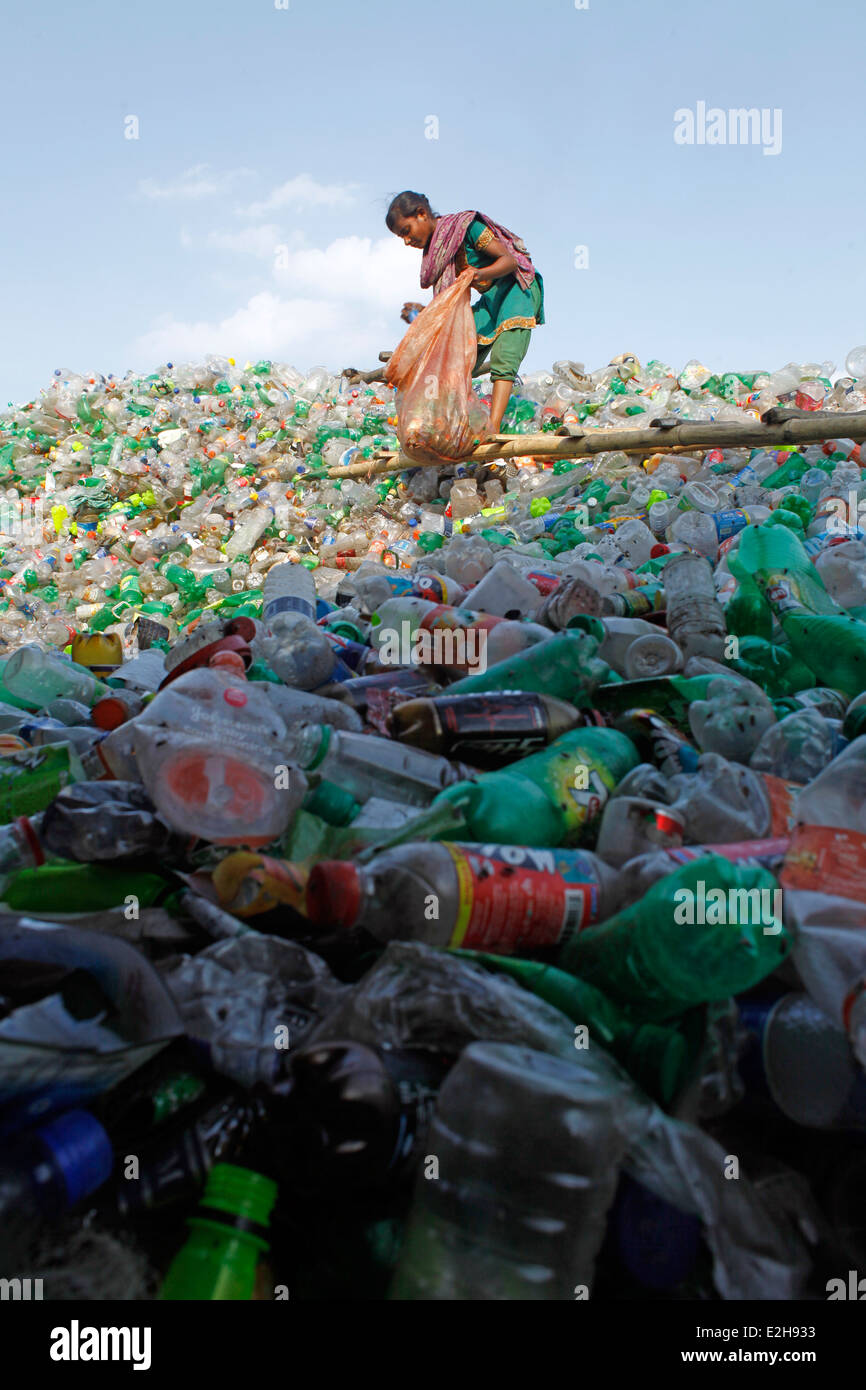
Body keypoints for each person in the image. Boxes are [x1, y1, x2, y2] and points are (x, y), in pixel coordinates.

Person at [387, 192, 544, 435]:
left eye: (407, 231)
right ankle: (450, 425)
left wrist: (477, 275)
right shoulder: (436, 252)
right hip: (490, 299)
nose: (407, 240)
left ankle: (492, 428)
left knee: (505, 355)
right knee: (456, 355)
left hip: (516, 289)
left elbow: (510, 261)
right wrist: (422, 312)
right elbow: (448, 302)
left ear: (421, 213)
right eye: (401, 237)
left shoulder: (466, 227)